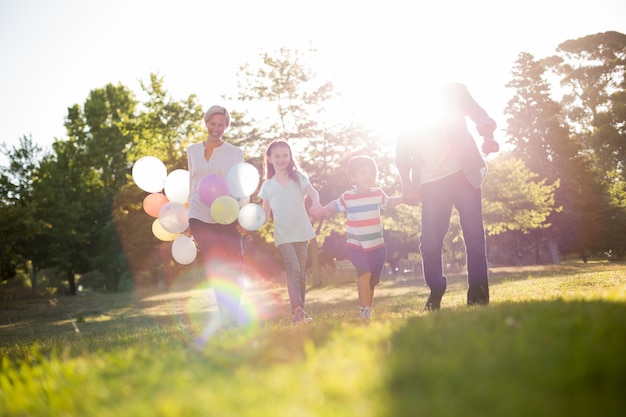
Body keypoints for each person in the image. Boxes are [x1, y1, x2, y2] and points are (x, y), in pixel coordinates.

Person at [395, 82, 499, 311]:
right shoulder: (407, 100)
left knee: (474, 235)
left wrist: (488, 136)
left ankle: (478, 298)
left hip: (463, 174)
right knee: (430, 243)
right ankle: (436, 288)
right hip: (431, 183)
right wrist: (407, 185)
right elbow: (402, 150)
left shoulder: (453, 90)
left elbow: (479, 114)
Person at [311, 155, 402, 319]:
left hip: (377, 247)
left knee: (373, 280)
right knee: (364, 273)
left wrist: (405, 198)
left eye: (372, 173)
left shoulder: (377, 194)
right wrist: (323, 209)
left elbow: (389, 202)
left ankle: (368, 308)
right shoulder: (348, 197)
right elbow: (334, 205)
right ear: (353, 178)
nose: (369, 176)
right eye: (364, 173)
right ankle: (364, 310)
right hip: (356, 246)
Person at [187, 105, 246, 329]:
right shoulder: (192, 150)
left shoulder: (235, 152)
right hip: (199, 215)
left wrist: (242, 217)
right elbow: (192, 184)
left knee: (235, 266)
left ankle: (231, 314)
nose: (216, 128)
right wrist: (186, 217)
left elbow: (240, 185)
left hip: (227, 214)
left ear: (226, 126)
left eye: (221, 124)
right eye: (213, 123)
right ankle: (227, 318)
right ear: (206, 123)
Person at [258, 139, 322, 325]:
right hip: (283, 234)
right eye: (277, 156)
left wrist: (316, 202)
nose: (281, 159)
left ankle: (301, 314)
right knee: (293, 268)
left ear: (290, 157)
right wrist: (252, 222)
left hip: (302, 231)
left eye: (285, 155)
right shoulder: (268, 186)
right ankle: (297, 309)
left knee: (301, 273)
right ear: (269, 159)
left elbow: (313, 192)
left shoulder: (299, 178)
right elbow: (265, 214)